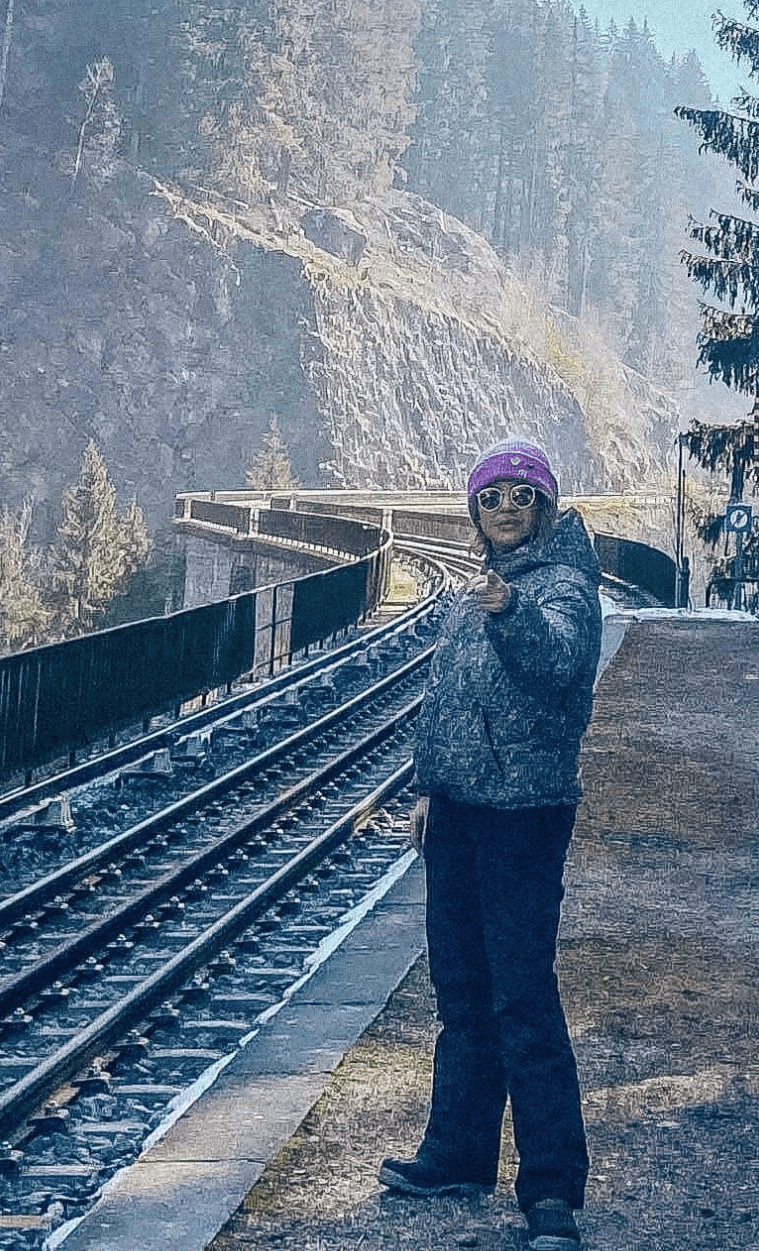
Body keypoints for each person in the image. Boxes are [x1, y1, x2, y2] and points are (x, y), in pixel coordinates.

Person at [379, 439, 594, 1251]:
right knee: (461, 989)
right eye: (491, 495)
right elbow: (448, 702)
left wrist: (512, 611)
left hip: (524, 815)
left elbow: (558, 661)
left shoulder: (562, 586)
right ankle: (459, 1155)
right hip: (462, 812)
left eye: (521, 494)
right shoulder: (470, 595)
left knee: (522, 997)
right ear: (475, 510)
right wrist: (430, 786)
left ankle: (549, 1191)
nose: (505, 507)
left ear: (544, 506)